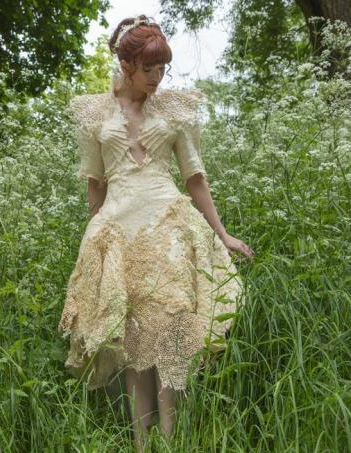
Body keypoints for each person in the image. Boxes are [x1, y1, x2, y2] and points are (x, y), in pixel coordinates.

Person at [57, 14, 255, 452]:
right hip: (119, 231)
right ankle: (141, 443)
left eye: (163, 68)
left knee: (169, 337)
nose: (157, 77)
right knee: (132, 344)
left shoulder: (175, 109)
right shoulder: (95, 113)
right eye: (149, 69)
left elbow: (195, 178)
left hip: (169, 227)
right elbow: (95, 185)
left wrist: (223, 235)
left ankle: (172, 439)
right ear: (126, 65)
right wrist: (96, 246)